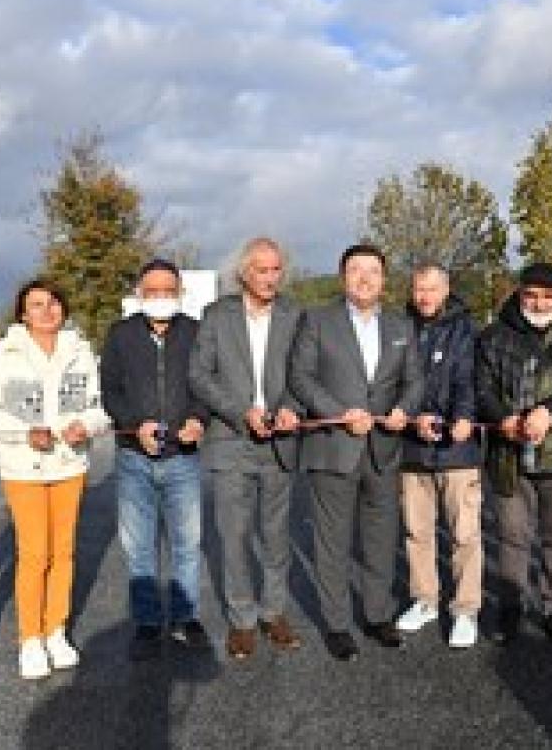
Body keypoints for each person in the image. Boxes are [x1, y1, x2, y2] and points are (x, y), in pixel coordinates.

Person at [289, 244, 424, 661]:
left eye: (373, 271)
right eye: (355, 270)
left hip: (383, 450)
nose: (364, 278)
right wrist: (337, 412)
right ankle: (336, 624)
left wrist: (404, 409)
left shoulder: (401, 326)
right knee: (332, 542)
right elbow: (301, 378)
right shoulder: (317, 321)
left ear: (384, 279)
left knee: (381, 539)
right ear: (343, 276)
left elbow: (414, 381)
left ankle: (377, 615)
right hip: (334, 448)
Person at [0, 279, 109, 678]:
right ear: (21, 313)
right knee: (35, 553)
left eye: (53, 303)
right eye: (36, 305)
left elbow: (100, 409)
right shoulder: (3, 354)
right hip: (24, 466)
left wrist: (86, 425)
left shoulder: (81, 352)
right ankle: (30, 639)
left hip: (69, 464)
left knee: (63, 552)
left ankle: (56, 631)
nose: (47, 311)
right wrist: (23, 432)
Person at [189, 237, 304, 660]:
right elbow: (201, 377)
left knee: (276, 535)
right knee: (233, 535)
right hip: (230, 440)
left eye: (276, 270)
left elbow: (305, 371)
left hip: (280, 443)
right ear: (243, 273)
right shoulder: (216, 316)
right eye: (262, 270)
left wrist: (292, 407)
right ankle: (241, 619)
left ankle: (273, 612)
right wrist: (241, 412)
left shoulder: (296, 315)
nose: (270, 278)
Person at [476, 263, 552, 647]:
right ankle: (511, 605)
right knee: (512, 535)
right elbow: (482, 387)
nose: (540, 302)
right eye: (531, 294)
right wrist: (503, 417)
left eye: (549, 295)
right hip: (509, 453)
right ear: (519, 292)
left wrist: (551, 411)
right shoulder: (494, 335)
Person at [100, 259, 211, 660]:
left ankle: (186, 617)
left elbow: (207, 384)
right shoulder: (120, 335)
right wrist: (134, 425)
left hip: (183, 455)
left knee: (187, 542)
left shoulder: (197, 333)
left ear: (180, 294)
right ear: (139, 294)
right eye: (152, 291)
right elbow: (110, 390)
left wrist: (198, 419)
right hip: (134, 457)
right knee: (139, 546)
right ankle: (147, 623)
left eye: (168, 290)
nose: (160, 298)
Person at [394, 264, 483, 649]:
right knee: (417, 532)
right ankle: (425, 599)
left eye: (432, 289)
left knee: (464, 534)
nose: (424, 297)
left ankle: (464, 609)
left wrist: (462, 416)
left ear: (446, 290)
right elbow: (393, 382)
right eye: (419, 289)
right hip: (413, 448)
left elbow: (469, 380)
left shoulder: (465, 330)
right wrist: (414, 418)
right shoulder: (400, 329)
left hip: (457, 449)